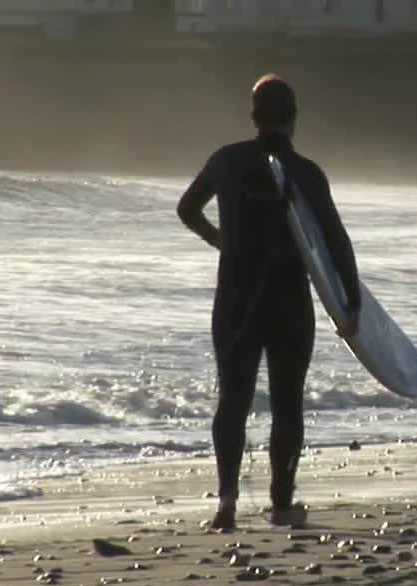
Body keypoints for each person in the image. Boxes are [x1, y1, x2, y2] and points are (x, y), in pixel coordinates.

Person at [177, 74, 361, 531]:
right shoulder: (307, 172)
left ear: (253, 116)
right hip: (289, 300)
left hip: (236, 297)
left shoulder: (226, 159)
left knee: (233, 399)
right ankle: (281, 505)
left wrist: (221, 240)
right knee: (287, 402)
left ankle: (226, 504)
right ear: (293, 119)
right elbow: (335, 241)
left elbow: (186, 209)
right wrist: (351, 303)